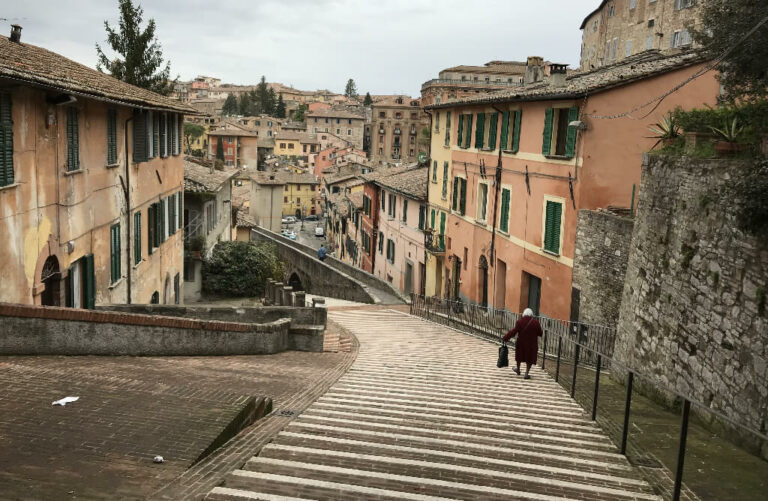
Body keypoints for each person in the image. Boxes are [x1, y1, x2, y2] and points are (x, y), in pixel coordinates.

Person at [502, 308, 543, 379]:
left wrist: (505, 338)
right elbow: (540, 333)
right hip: (532, 344)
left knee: (519, 356)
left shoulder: (520, 322)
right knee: (529, 358)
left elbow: (513, 332)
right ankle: (526, 373)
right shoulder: (536, 322)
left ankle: (518, 369)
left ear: (524, 314)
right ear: (531, 314)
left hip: (521, 343)